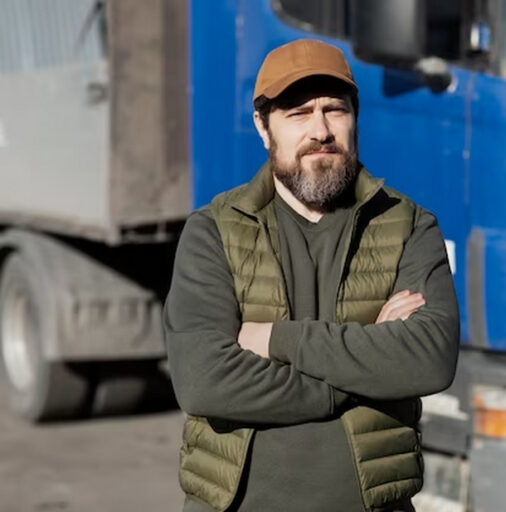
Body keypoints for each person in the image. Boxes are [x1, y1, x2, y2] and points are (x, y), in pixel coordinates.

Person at [164, 39, 460, 512]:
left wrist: (278, 339)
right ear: (264, 127)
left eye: (334, 110)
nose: (320, 130)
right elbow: (203, 381)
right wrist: (369, 360)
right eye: (298, 113)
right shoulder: (214, 230)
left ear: (355, 116)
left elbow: (429, 360)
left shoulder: (407, 225)